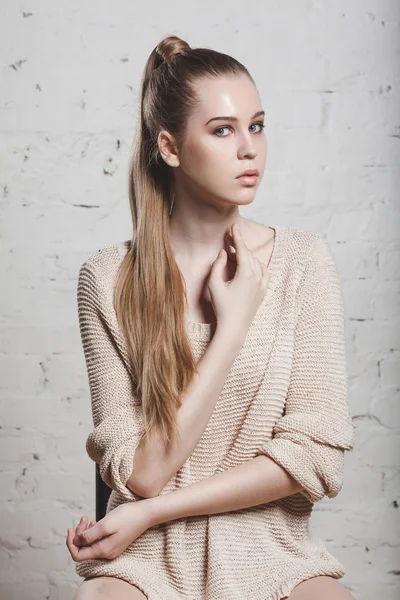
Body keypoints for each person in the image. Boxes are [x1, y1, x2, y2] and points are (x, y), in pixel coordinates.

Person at [67, 35, 356, 600]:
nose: (250, 149)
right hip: (143, 558)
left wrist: (155, 512)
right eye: (223, 130)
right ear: (170, 148)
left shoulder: (303, 261)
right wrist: (233, 325)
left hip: (273, 547)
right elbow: (143, 474)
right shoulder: (107, 279)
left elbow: (315, 459)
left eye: (258, 125)